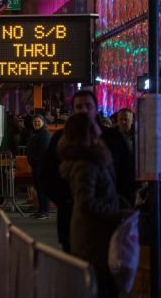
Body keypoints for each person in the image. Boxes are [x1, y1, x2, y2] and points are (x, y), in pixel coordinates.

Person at [42, 90, 135, 252]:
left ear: (96, 108)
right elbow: (48, 176)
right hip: (74, 218)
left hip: (109, 220)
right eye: (79, 106)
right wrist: (66, 201)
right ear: (73, 110)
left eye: (88, 106)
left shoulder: (113, 138)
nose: (84, 110)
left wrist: (120, 202)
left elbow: (127, 173)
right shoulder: (60, 140)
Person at [58, 112, 125, 298]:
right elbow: (86, 203)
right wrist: (118, 212)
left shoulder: (89, 160)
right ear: (86, 132)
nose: (99, 129)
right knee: (102, 286)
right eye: (94, 126)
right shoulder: (85, 165)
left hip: (96, 233)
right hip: (95, 236)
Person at [26, 114, 51, 219]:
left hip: (41, 166)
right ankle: (41, 210)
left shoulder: (44, 134)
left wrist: (36, 162)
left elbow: (44, 152)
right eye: (35, 121)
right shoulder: (36, 134)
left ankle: (45, 211)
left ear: (43, 123)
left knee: (42, 189)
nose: (36, 123)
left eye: (38, 121)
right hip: (37, 166)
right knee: (39, 189)